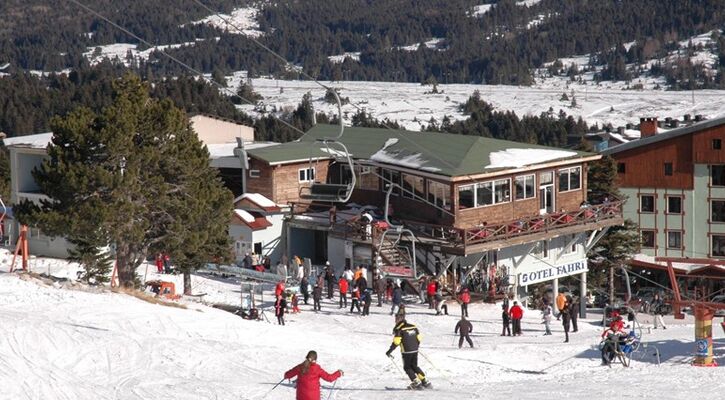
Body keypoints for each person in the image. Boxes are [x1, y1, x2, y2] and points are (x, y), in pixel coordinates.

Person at [386, 319, 431, 390]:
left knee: (407, 367)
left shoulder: (399, 329)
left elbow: (396, 342)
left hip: (406, 351)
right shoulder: (413, 327)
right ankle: (424, 381)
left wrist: (389, 351)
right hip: (415, 350)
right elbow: (419, 338)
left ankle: (416, 382)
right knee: (414, 366)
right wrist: (415, 346)